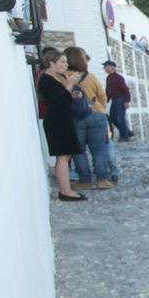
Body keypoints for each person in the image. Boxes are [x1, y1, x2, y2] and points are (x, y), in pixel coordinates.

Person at [38, 48, 86, 201]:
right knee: (63, 157)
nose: (66, 65)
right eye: (62, 62)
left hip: (61, 120)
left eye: (66, 61)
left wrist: (71, 94)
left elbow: (61, 99)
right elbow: (56, 102)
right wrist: (70, 85)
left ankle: (66, 190)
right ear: (51, 63)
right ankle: (65, 191)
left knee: (65, 156)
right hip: (57, 122)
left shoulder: (53, 78)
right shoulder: (46, 79)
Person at [66, 46, 114, 188]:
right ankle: (102, 179)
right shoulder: (91, 77)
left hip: (75, 116)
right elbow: (102, 96)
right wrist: (99, 107)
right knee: (99, 149)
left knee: (78, 150)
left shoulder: (63, 77)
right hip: (96, 114)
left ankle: (85, 180)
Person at [104, 60, 132, 142]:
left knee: (120, 118)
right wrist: (106, 100)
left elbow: (125, 90)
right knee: (112, 118)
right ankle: (127, 132)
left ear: (111, 67)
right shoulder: (108, 78)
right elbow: (108, 90)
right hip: (114, 100)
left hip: (121, 99)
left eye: (106, 66)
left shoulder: (118, 78)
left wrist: (127, 101)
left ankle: (125, 137)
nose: (104, 68)